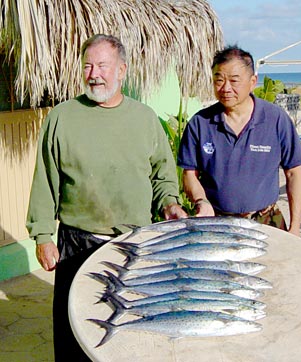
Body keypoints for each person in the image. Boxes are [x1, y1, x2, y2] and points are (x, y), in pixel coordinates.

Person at [26, 34, 187, 361]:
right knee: (74, 331)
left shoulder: (144, 118)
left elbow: (161, 174)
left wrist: (169, 202)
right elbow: (45, 178)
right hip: (76, 244)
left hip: (132, 246)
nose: (94, 73)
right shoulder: (62, 117)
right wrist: (43, 235)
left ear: (122, 70)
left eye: (102, 65)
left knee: (128, 331)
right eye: (87, 65)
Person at [178, 45, 301, 236]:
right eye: (219, 80)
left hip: (265, 221)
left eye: (234, 81)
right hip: (215, 223)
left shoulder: (275, 119)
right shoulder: (200, 123)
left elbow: (294, 173)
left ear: (253, 81)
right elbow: (189, 174)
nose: (226, 88)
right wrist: (201, 201)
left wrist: (295, 226)